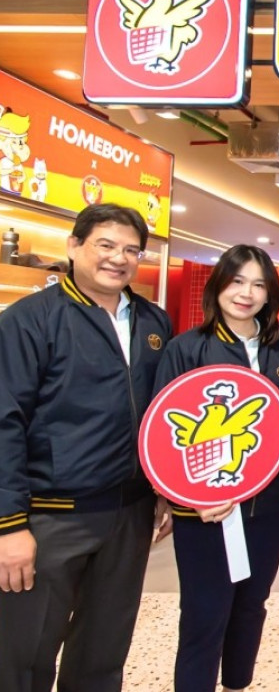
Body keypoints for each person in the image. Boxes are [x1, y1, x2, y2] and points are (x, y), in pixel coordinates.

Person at [0, 203, 172, 692]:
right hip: (51, 517)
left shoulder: (154, 322)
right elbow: (5, 422)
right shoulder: (30, 320)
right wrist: (9, 525)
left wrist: (164, 489)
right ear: (74, 246)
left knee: (103, 654)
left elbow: (163, 416)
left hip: (129, 515)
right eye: (106, 245)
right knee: (25, 655)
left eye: (131, 250)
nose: (119, 258)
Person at [152, 244, 279, 692]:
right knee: (205, 612)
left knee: (251, 606)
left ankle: (238, 684)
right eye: (237, 281)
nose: (246, 293)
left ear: (270, 294)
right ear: (218, 285)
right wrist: (187, 498)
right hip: (207, 510)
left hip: (270, 507)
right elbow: (163, 431)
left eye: (258, 284)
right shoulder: (187, 348)